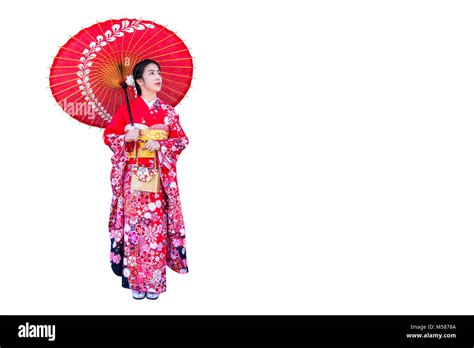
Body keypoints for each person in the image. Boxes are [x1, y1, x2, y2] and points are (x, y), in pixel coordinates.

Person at [103, 59, 190, 300]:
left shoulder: (169, 112)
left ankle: (155, 282)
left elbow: (182, 140)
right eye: (152, 73)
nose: (158, 77)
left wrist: (160, 144)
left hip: (158, 178)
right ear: (139, 82)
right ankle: (136, 281)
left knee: (156, 230)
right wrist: (126, 138)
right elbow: (109, 137)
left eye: (159, 73)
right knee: (134, 231)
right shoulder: (125, 111)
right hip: (133, 180)